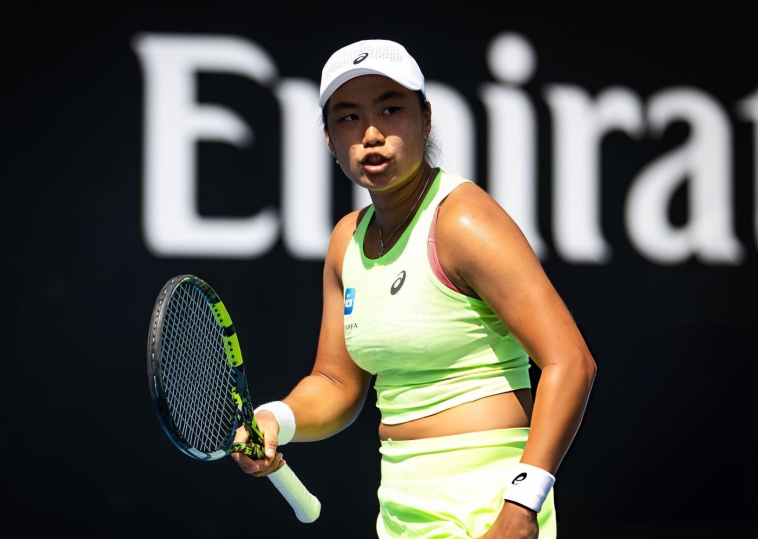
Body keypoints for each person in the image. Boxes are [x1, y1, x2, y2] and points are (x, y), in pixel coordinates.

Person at [232, 39, 596, 539]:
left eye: (390, 109)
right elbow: (337, 383)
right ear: (330, 139)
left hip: (488, 504)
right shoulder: (345, 241)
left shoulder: (463, 221)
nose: (372, 134)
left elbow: (570, 362)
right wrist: (277, 419)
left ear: (425, 119)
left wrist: (522, 503)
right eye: (349, 117)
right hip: (401, 508)